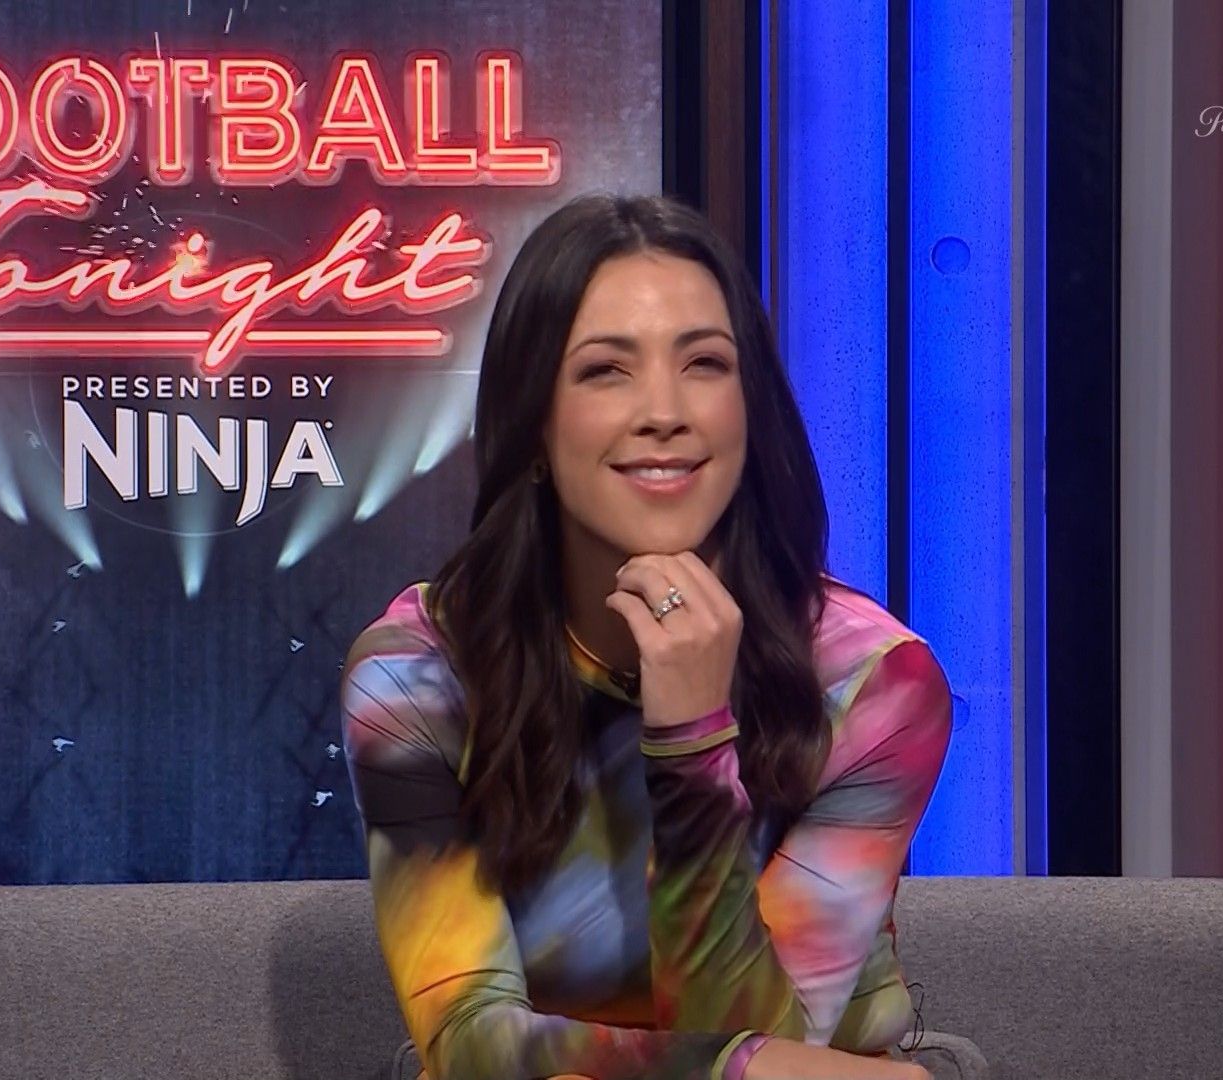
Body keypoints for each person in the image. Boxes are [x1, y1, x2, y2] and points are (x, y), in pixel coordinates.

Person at [341, 193, 953, 1080]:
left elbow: (775, 1033)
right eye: (606, 371)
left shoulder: (870, 683)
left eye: (704, 363)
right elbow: (470, 1039)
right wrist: (739, 1069)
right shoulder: (419, 678)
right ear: (534, 423)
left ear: (750, 410)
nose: (665, 412)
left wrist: (693, 741)